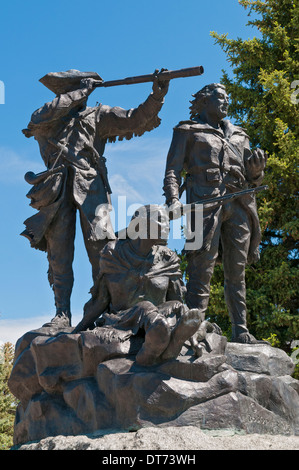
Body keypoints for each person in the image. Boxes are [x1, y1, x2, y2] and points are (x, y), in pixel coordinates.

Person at [21, 69, 169, 327]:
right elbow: (41, 116)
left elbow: (135, 118)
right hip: (55, 189)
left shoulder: (98, 115)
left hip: (91, 187)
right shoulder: (47, 117)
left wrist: (157, 95)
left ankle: (106, 307)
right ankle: (62, 314)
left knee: (102, 250)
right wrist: (80, 92)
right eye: (75, 88)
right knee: (59, 253)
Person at [163, 83, 267, 344]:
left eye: (227, 98)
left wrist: (255, 172)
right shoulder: (187, 130)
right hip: (204, 205)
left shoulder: (239, 135)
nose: (226, 101)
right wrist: (173, 199)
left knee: (237, 271)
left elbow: (252, 177)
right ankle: (193, 330)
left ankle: (240, 329)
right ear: (204, 101)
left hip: (240, 204)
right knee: (201, 266)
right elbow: (173, 170)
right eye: (220, 97)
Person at [73, 205, 203, 366]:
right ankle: (152, 351)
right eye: (162, 220)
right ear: (143, 224)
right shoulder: (113, 254)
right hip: (122, 320)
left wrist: (191, 333)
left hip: (161, 316)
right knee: (145, 307)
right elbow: (101, 300)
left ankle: (172, 343)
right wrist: (78, 328)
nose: (168, 225)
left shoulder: (168, 259)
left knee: (180, 311)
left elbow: (176, 301)